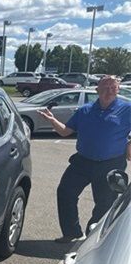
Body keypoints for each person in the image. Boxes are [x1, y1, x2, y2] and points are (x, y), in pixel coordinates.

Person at [38, 75, 131, 243]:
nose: (108, 91)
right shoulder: (85, 110)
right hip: (83, 161)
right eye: (104, 88)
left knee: (105, 202)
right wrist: (52, 120)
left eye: (112, 88)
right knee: (65, 192)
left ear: (118, 90)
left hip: (111, 164)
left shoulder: (127, 109)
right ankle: (71, 232)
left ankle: (92, 237)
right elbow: (65, 131)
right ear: (97, 90)